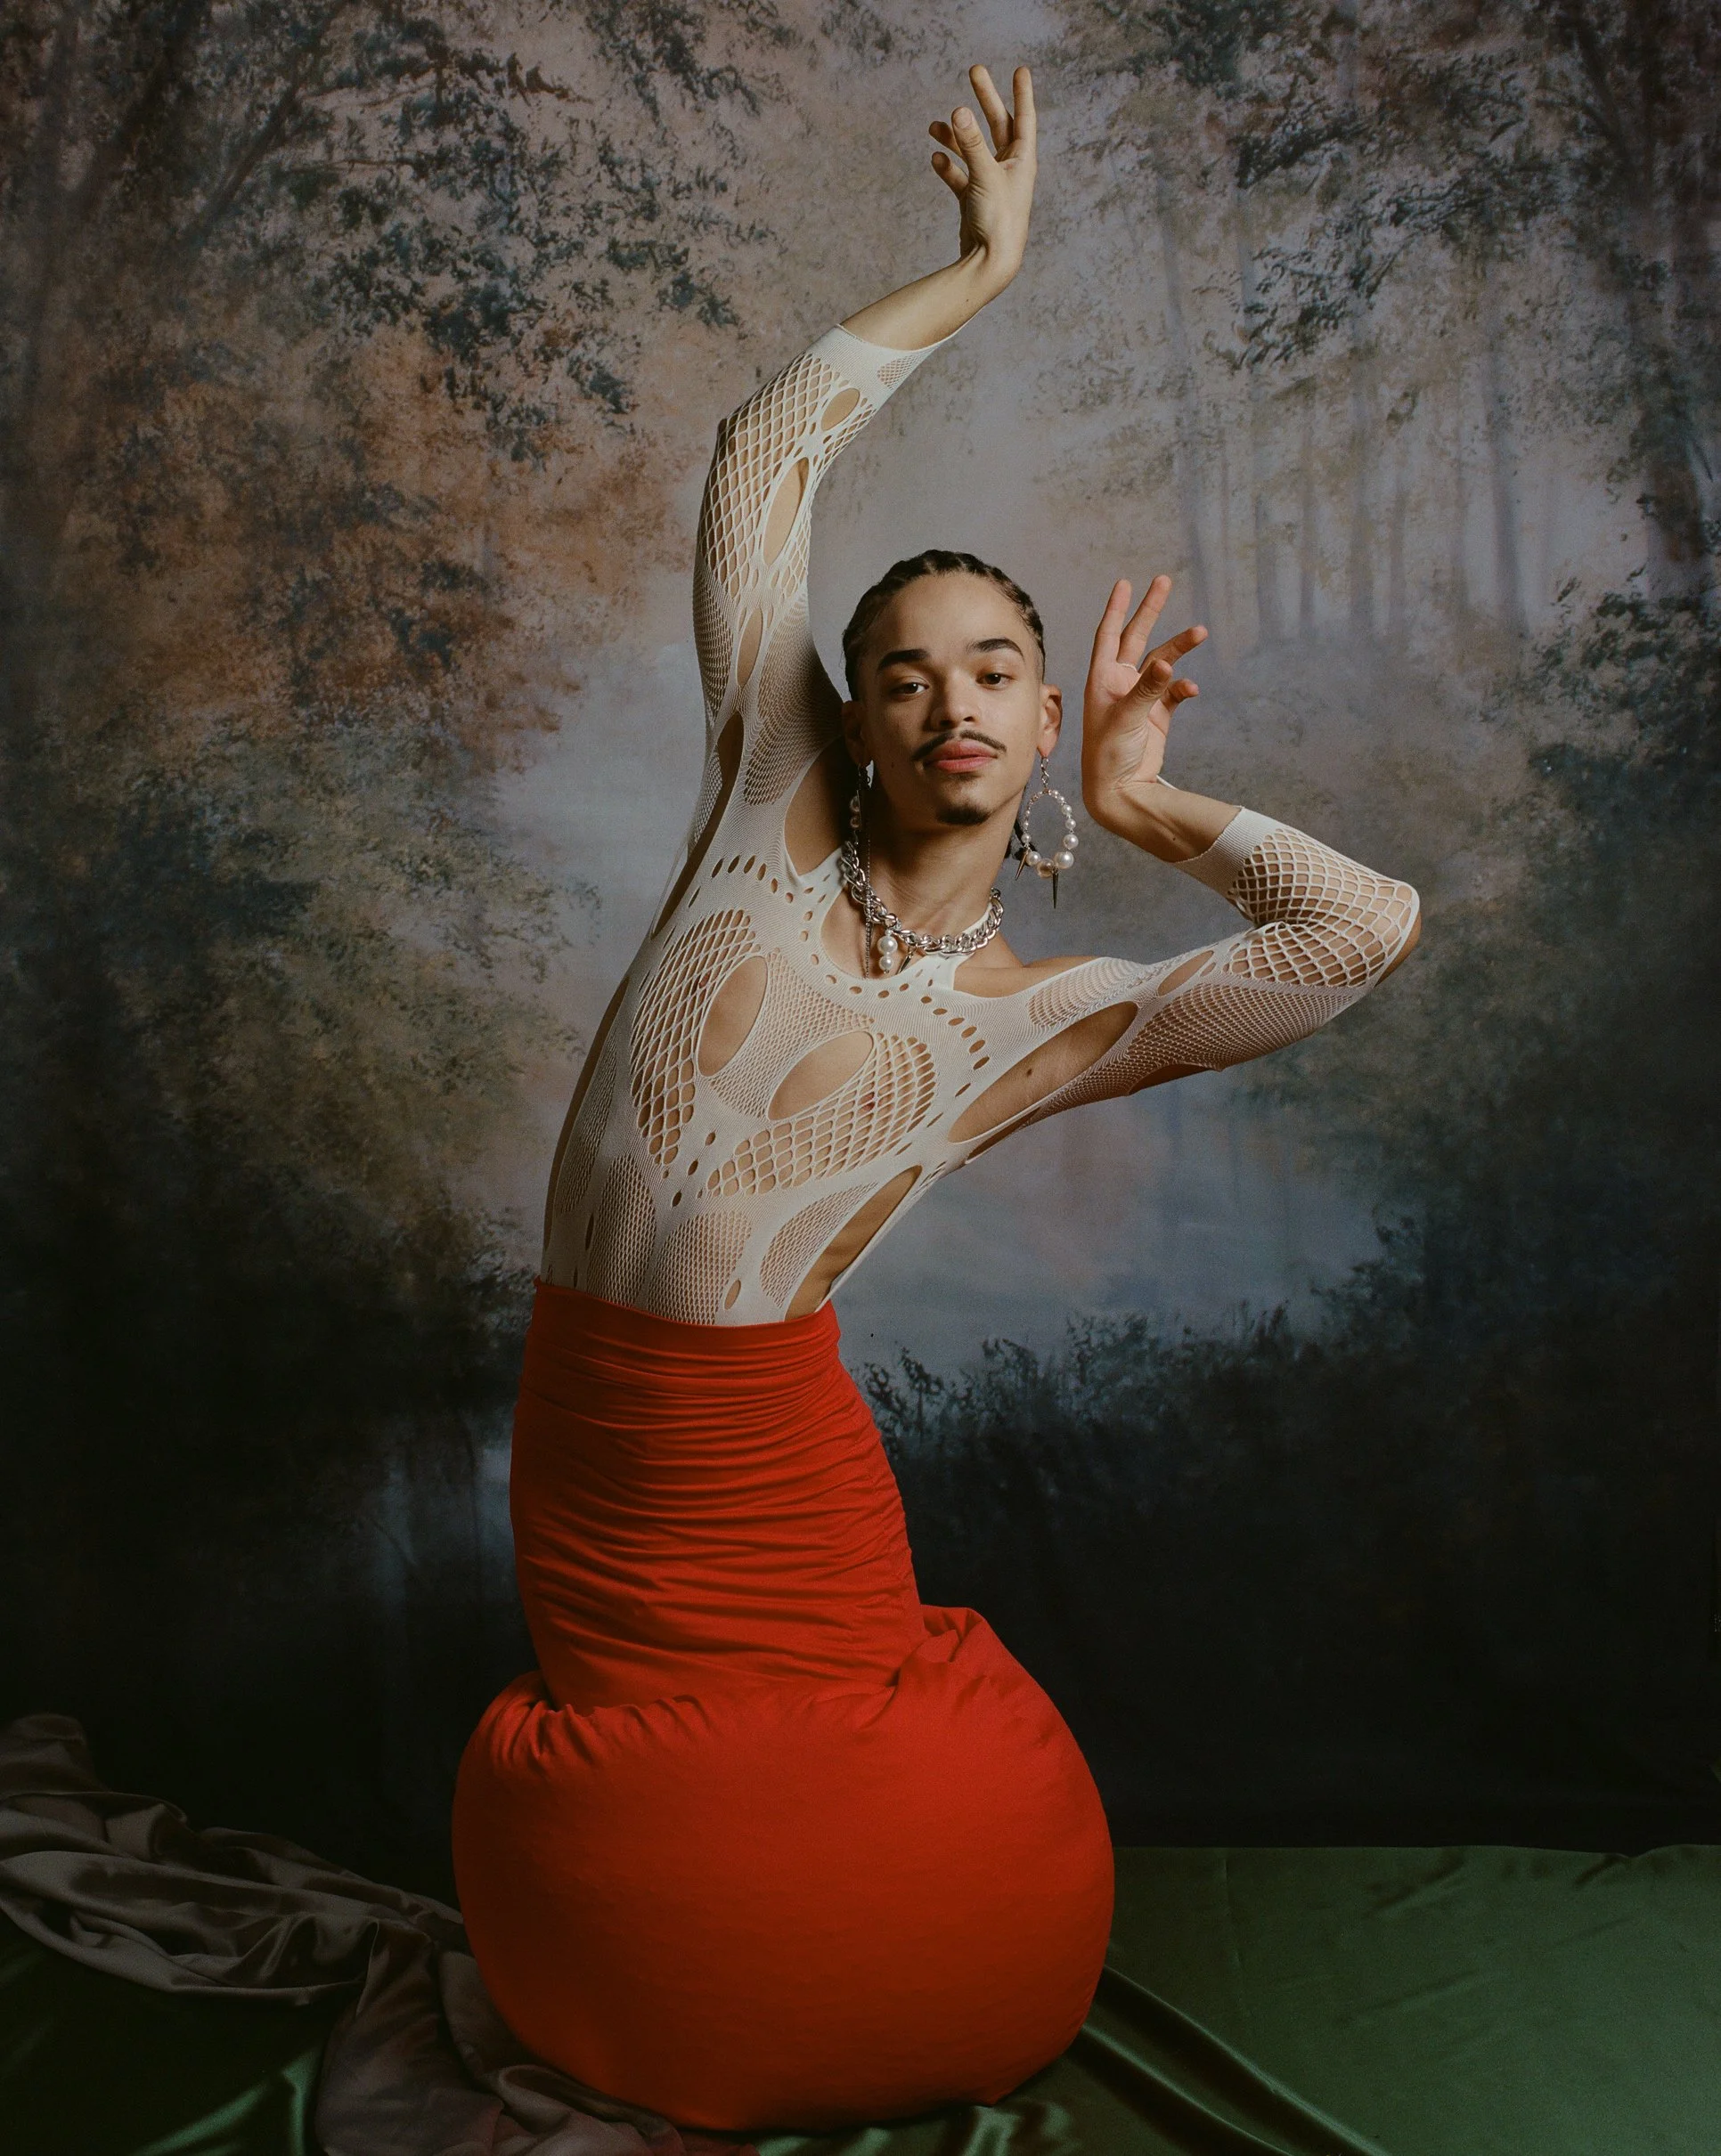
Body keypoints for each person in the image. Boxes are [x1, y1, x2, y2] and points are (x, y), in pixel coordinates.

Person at [453, 61, 1421, 2135]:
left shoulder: (1037, 1012)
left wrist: (1158, 811)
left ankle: (888, 1945)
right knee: (645, 1823)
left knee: (839, 1847)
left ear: (1043, 713)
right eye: (905, 672)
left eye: (995, 667)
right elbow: (762, 453)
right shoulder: (767, 810)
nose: (949, 700)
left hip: (765, 1485)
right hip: (598, 1449)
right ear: (857, 718)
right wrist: (974, 275)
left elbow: (1357, 934)